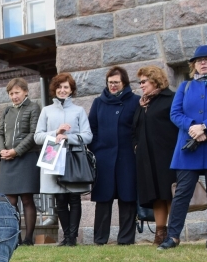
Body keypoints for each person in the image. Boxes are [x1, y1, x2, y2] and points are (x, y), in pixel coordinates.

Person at [159, 45, 207, 250]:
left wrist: (205, 127)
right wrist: (193, 126)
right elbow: (175, 114)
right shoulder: (184, 87)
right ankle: (173, 236)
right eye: (198, 60)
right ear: (194, 65)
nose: (202, 63)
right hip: (189, 146)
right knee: (182, 192)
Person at [34, 73, 93, 246]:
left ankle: (72, 238)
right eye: (59, 87)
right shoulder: (46, 111)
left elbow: (88, 135)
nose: (62, 90)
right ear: (54, 89)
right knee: (60, 199)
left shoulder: (79, 111)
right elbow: (37, 137)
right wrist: (56, 133)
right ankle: (66, 236)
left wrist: (69, 137)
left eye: (66, 87)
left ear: (71, 90)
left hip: (73, 157)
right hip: (53, 155)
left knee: (74, 198)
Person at [89, 67, 140, 245]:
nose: (113, 86)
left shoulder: (135, 101)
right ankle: (100, 238)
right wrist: (97, 148)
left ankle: (126, 239)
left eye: (116, 82)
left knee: (128, 198)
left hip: (127, 157)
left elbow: (138, 128)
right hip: (104, 158)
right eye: (110, 82)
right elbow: (92, 128)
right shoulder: (98, 102)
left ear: (124, 83)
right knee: (103, 199)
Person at [133, 66, 179, 246]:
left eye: (144, 81)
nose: (141, 85)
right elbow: (135, 129)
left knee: (168, 193)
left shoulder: (171, 98)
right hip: (147, 157)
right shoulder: (143, 103)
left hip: (167, 155)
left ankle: (173, 234)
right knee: (156, 196)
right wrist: (136, 145)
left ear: (155, 80)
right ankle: (160, 234)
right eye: (140, 82)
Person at [0, 78, 41, 246]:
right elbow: (0, 133)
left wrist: (16, 151)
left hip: (26, 158)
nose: (14, 96)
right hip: (8, 160)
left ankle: (28, 239)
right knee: (10, 201)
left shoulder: (34, 107)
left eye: (17, 92)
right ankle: (16, 237)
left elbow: (33, 133)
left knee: (27, 199)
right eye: (11, 93)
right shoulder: (7, 111)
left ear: (25, 92)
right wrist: (1, 150)